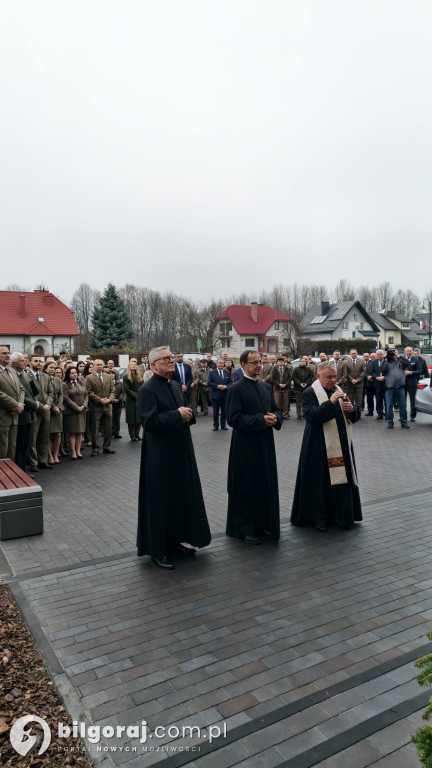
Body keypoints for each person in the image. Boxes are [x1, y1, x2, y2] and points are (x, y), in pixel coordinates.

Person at [136, 346, 211, 570]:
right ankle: (158, 550)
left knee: (178, 500)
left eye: (171, 357)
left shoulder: (175, 385)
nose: (171, 361)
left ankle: (175, 542)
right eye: (165, 358)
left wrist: (186, 414)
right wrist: (177, 415)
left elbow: (186, 411)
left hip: (180, 453)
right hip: (159, 457)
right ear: (153, 365)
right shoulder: (147, 390)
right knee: (161, 502)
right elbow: (149, 423)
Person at [291, 362, 362, 532]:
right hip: (317, 446)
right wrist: (330, 402)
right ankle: (319, 518)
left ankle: (341, 516)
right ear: (318, 376)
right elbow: (311, 416)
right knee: (319, 482)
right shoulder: (310, 393)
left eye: (334, 376)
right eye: (328, 377)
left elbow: (353, 416)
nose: (332, 380)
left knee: (340, 481)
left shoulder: (339, 390)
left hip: (340, 445)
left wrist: (351, 410)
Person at [226, 349, 282, 544]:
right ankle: (245, 528)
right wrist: (260, 420)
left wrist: (276, 417)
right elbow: (233, 419)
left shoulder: (265, 386)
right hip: (245, 447)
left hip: (265, 445)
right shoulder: (236, 389)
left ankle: (262, 524)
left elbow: (276, 409)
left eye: (260, 362)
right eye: (254, 362)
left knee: (263, 485)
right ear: (243, 365)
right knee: (246, 487)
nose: (259, 365)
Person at [10, 353, 41, 474]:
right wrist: (34, 404)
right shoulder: (14, 375)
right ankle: (19, 471)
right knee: (19, 445)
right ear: (14, 363)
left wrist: (36, 402)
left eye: (25, 360)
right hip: (22, 413)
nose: (25, 362)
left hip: (29, 414)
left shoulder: (25, 374)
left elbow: (35, 391)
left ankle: (22, 471)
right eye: (22, 361)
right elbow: (21, 396)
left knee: (25, 444)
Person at [25, 354, 53, 470]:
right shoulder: (26, 377)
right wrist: (40, 406)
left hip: (46, 410)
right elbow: (31, 395)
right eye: (35, 361)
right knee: (33, 438)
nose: (38, 363)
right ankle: (33, 463)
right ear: (29, 363)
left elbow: (50, 393)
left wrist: (47, 405)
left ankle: (43, 460)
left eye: (40, 361)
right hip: (34, 410)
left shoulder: (45, 376)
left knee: (44, 437)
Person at [85, 359, 115, 455]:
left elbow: (112, 390)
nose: (99, 366)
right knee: (95, 429)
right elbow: (89, 392)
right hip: (96, 407)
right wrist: (99, 400)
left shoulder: (108, 377)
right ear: (93, 366)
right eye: (97, 365)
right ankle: (95, 448)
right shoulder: (89, 378)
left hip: (107, 407)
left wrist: (109, 399)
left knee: (108, 429)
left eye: (101, 365)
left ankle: (107, 447)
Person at [0, 346, 25, 460]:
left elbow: (21, 389)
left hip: (15, 416)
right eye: (4, 353)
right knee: (2, 449)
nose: (8, 355)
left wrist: (19, 405)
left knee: (11, 448)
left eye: (8, 353)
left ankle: (10, 470)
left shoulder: (11, 371)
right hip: (3, 416)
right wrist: (15, 405)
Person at [62, 366, 88, 459]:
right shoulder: (65, 384)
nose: (74, 374)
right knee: (72, 432)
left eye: (75, 373)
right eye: (72, 373)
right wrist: (76, 407)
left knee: (80, 432)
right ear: (68, 375)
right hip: (71, 411)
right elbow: (66, 398)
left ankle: (78, 451)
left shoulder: (81, 382)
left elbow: (86, 395)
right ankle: (73, 451)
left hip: (81, 411)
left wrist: (84, 405)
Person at [381, 349, 409, 428]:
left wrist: (399, 357)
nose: (393, 355)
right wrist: (385, 359)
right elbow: (382, 370)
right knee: (389, 406)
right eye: (392, 354)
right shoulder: (387, 363)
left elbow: (408, 363)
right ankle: (390, 422)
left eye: (394, 353)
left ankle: (404, 422)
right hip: (390, 388)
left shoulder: (401, 362)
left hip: (400, 387)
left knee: (402, 406)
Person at [43, 360, 64, 465]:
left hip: (57, 410)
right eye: (51, 367)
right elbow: (45, 394)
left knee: (57, 433)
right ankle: (49, 455)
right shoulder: (43, 379)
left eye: (54, 368)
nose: (53, 369)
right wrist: (53, 406)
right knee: (47, 433)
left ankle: (55, 454)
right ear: (45, 369)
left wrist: (59, 406)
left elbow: (61, 394)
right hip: (48, 408)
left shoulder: (57, 380)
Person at [208, 358, 232, 430]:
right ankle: (215, 425)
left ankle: (223, 425)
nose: (221, 364)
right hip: (215, 395)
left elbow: (230, 382)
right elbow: (209, 382)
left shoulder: (227, 373)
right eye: (219, 363)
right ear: (216, 364)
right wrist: (217, 386)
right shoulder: (212, 372)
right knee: (215, 412)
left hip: (225, 395)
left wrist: (226, 386)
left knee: (224, 412)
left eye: (222, 363)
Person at [122, 360, 143, 441]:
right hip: (130, 399)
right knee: (131, 418)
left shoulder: (139, 375)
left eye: (135, 364)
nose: (133, 365)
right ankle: (132, 434)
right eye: (132, 364)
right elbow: (126, 389)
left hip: (139, 395)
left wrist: (140, 395)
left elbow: (142, 385)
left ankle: (137, 434)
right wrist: (135, 396)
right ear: (129, 366)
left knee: (138, 417)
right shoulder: (126, 376)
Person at [401, 346, 422, 422]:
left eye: (410, 351)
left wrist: (410, 372)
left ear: (412, 352)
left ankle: (412, 416)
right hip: (402, 383)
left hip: (412, 382)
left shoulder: (416, 360)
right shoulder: (401, 360)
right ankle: (403, 416)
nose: (409, 352)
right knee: (402, 401)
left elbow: (419, 371)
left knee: (412, 401)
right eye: (407, 351)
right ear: (405, 352)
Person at [371, 349, 386, 420]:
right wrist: (377, 377)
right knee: (378, 399)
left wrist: (384, 377)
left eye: (381, 354)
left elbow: (389, 371)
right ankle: (380, 413)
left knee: (386, 399)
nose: (379, 355)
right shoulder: (374, 362)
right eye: (378, 354)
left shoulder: (387, 362)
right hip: (377, 383)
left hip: (386, 383)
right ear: (376, 355)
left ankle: (387, 413)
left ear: (383, 355)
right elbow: (372, 372)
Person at [110, 370, 124, 439]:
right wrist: (112, 399)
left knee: (117, 419)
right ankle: (110, 433)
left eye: (113, 373)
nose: (112, 375)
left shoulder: (119, 382)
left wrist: (119, 399)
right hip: (110, 403)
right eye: (110, 373)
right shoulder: (107, 382)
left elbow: (122, 392)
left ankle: (116, 433)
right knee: (111, 418)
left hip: (118, 403)